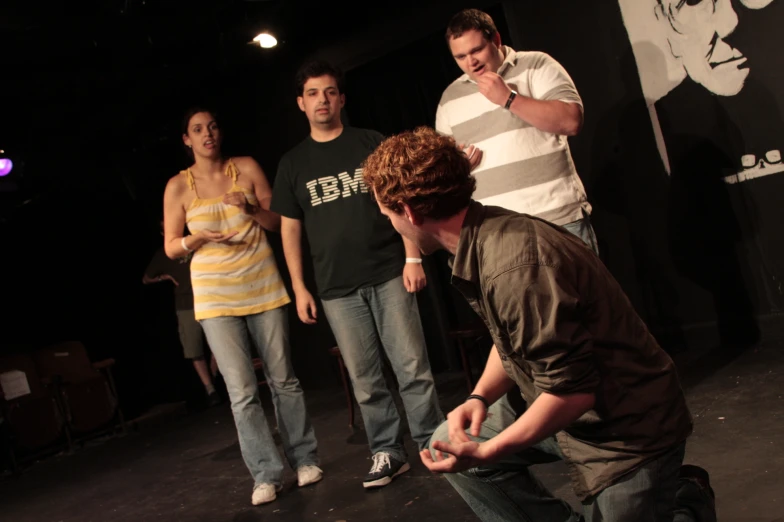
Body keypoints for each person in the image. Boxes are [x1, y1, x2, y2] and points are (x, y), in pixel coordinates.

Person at [360, 126, 717, 522]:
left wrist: (490, 449)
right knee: (447, 440)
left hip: (627, 430)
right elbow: (510, 340)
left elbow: (574, 392)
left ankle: (685, 502)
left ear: (410, 212)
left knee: (476, 453)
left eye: (388, 213)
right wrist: (478, 397)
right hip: (574, 406)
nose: (391, 224)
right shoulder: (479, 236)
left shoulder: (511, 265)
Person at [270, 60, 443, 489]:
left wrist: (413, 257)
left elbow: (401, 200)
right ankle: (387, 451)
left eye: (329, 92)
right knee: (365, 380)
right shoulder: (292, 164)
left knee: (412, 367)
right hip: (335, 287)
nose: (322, 100)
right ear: (300, 103)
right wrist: (299, 286)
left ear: (342, 98)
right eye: (313, 93)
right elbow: (290, 228)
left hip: (388, 271)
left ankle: (432, 441)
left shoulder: (370, 143)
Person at [162, 107, 321, 506]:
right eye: (197, 129)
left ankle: (304, 459)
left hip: (262, 284)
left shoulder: (246, 168)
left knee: (283, 379)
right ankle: (266, 473)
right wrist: (196, 238)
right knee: (242, 391)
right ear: (187, 139)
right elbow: (170, 247)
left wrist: (251, 208)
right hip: (215, 296)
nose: (207, 134)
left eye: (212, 126)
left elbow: (276, 221)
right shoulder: (178, 187)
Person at [436, 8, 597, 253]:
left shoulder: (536, 64)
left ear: (496, 40)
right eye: (460, 56)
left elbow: (571, 121)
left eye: (477, 50)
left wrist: (508, 99)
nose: (471, 62)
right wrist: (459, 167)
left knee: (585, 293)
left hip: (558, 219)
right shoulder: (450, 99)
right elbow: (443, 172)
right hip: (501, 233)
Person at [142, 221, 220, 407]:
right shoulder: (162, 254)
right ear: (163, 233)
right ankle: (210, 389)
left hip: (208, 298)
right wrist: (165, 277)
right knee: (194, 349)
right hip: (185, 304)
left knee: (219, 342)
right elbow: (146, 278)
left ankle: (215, 379)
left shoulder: (194, 242)